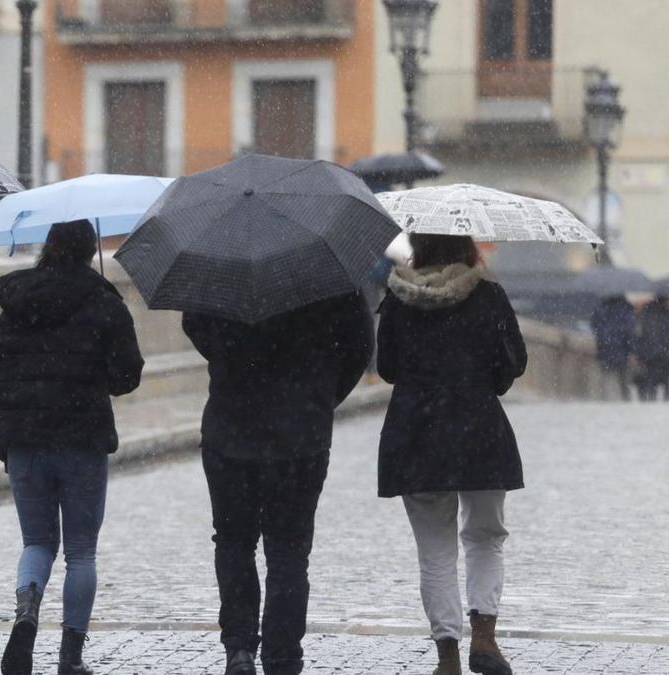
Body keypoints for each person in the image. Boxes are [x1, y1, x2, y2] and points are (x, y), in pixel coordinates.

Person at [183, 292, 373, 675]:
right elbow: (360, 346)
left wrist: (235, 360)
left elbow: (196, 325)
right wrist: (322, 395)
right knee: (288, 552)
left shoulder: (220, 269)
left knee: (234, 542)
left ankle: (239, 647)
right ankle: (283, 656)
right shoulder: (331, 279)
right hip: (300, 433)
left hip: (230, 429)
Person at [0, 220, 144, 675]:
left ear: (48, 247)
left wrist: (1, 432)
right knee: (80, 551)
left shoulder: (17, 301)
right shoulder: (103, 302)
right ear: (88, 250)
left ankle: (27, 611)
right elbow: (126, 376)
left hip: (24, 439)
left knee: (36, 542)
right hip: (82, 438)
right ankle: (70, 657)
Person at [376, 233, 527, 675]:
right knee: (485, 537)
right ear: (465, 248)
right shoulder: (488, 296)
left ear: (419, 248)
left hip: (415, 433)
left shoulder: (399, 298)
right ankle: (485, 641)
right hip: (479, 430)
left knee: (435, 550)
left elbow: (386, 367)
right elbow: (512, 364)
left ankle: (447, 656)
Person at [589, 295, 637, 401]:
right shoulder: (626, 310)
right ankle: (625, 402)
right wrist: (632, 351)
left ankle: (605, 401)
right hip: (622, 351)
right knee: (624, 381)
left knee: (606, 380)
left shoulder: (601, 309)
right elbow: (630, 333)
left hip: (604, 349)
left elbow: (594, 326)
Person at [634, 292, 669, 401]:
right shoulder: (666, 314)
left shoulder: (645, 314)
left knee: (650, 380)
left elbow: (639, 336)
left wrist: (639, 353)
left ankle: (650, 400)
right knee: (666, 380)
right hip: (665, 353)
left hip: (649, 354)